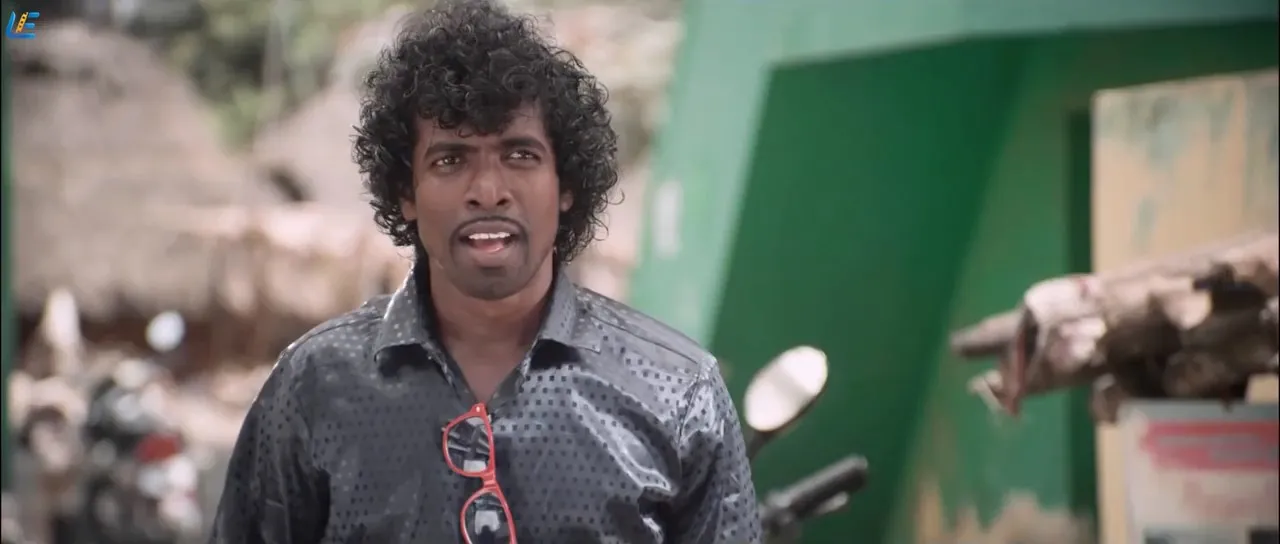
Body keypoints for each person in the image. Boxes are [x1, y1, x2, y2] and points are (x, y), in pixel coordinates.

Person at [208, 1, 760, 543]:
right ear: (406, 193)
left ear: (566, 186)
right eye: (450, 160)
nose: (489, 191)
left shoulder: (677, 392)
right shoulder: (314, 383)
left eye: (520, 155)